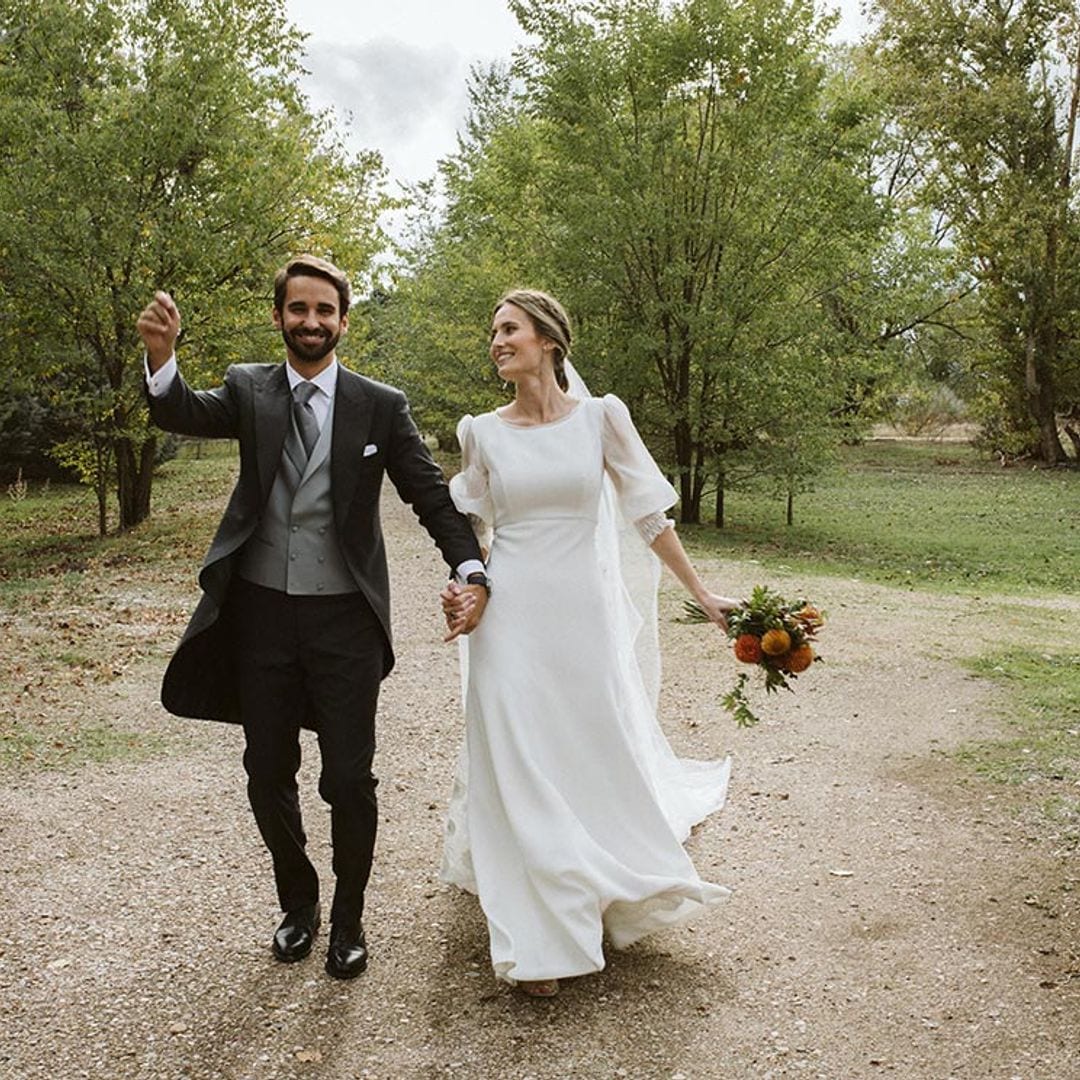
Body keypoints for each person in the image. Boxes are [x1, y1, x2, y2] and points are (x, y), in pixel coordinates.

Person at [136, 255, 490, 979]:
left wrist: (472, 568)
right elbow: (182, 410)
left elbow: (428, 494)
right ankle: (299, 904)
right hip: (260, 615)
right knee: (267, 770)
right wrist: (161, 358)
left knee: (350, 779)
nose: (311, 323)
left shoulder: (379, 405)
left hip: (345, 624)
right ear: (280, 317)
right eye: (298, 310)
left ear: (343, 321)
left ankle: (350, 921)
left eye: (324, 311)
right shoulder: (248, 388)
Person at [439, 288, 739, 997]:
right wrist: (464, 585)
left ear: (548, 338)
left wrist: (703, 594)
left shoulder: (602, 418)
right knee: (517, 756)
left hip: (580, 613)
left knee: (583, 748)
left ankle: (593, 879)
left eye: (508, 328)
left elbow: (646, 515)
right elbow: (471, 534)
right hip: (508, 616)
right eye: (493, 331)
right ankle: (543, 933)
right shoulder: (479, 431)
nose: (496, 341)